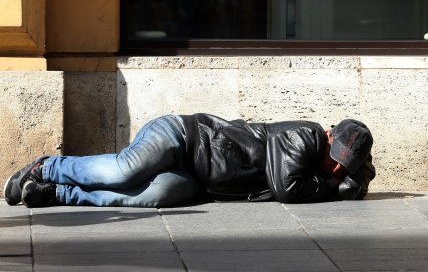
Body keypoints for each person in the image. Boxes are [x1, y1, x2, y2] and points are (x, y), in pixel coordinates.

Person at [3, 114, 375, 208]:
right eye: (336, 157)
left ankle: (55, 195)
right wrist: (331, 185)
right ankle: (47, 167)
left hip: (197, 180)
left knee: (142, 198)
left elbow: (351, 185)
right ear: (329, 136)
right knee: (123, 171)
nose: (337, 167)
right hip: (183, 135)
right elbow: (287, 189)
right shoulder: (305, 135)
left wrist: (353, 179)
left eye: (345, 164)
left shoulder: (334, 166)